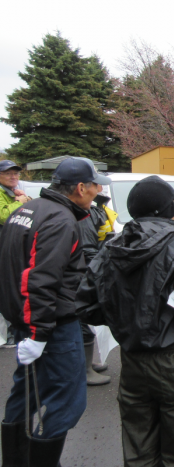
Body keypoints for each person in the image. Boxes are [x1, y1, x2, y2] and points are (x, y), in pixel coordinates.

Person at [75, 176, 174, 467]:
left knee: (138, 446)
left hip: (132, 357)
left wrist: (125, 316)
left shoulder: (113, 246)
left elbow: (87, 303)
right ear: (166, 209)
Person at [0, 157, 110, 466]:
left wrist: (25, 326)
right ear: (79, 187)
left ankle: (15, 461)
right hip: (52, 326)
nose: (97, 191)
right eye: (94, 185)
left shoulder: (27, 209)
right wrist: (38, 333)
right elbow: (40, 279)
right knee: (67, 401)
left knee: (26, 390)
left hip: (28, 321)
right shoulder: (60, 219)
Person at [77, 191, 117, 387]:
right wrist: (98, 273)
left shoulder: (95, 209)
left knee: (84, 321)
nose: (99, 187)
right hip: (81, 272)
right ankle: (83, 370)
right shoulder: (82, 214)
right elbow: (88, 248)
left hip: (85, 270)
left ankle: (85, 363)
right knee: (82, 320)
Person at [0, 160, 30, 349]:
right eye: (8, 173)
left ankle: (11, 330)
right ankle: (9, 333)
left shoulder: (13, 193)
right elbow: (4, 216)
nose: (13, 177)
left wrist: (22, 199)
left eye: (16, 173)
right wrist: (20, 203)